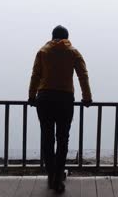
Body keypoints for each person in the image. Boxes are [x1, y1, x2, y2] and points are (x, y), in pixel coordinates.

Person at [28, 25, 92, 193]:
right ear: (66, 38)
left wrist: (31, 96)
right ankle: (57, 178)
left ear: (52, 37)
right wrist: (87, 97)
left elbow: (35, 74)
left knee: (47, 137)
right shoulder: (73, 52)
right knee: (63, 138)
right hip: (64, 99)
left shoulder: (43, 51)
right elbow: (82, 75)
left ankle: (50, 175)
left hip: (45, 99)